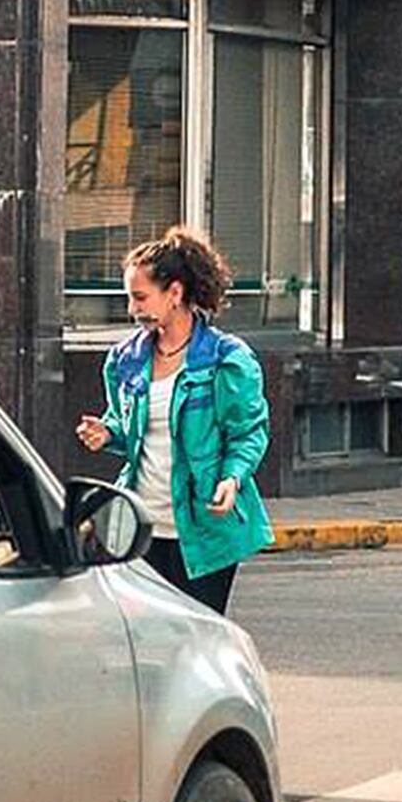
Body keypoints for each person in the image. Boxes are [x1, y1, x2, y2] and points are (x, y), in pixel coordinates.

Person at [75, 227, 273, 616]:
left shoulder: (226, 360)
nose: (133, 309)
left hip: (203, 528)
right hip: (140, 526)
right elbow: (127, 424)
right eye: (130, 297)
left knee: (194, 639)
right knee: (145, 639)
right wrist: (108, 432)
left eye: (140, 297)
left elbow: (248, 432)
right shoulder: (124, 359)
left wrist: (232, 478)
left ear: (176, 293)